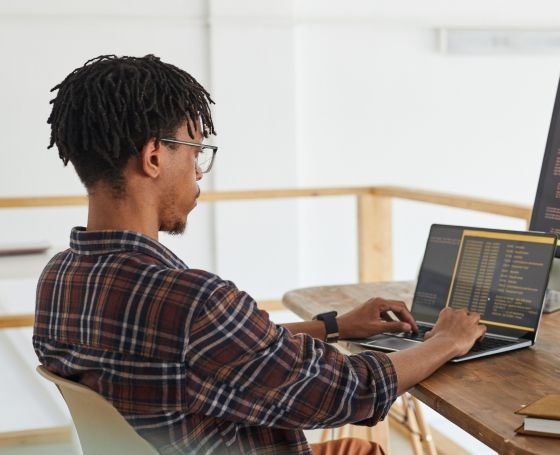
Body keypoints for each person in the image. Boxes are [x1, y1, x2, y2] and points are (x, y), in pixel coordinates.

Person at [33, 54, 486, 455]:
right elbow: (349, 392)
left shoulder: (59, 278)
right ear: (153, 157)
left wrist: (334, 326)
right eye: (196, 152)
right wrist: (447, 339)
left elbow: (208, 352)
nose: (198, 173)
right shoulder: (193, 301)